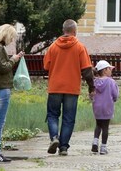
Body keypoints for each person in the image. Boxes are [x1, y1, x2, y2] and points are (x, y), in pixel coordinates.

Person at [43, 19, 95, 157]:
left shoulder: (53, 47)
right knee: (68, 118)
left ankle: (54, 137)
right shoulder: (79, 47)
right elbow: (87, 70)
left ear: (63, 30)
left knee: (53, 115)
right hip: (72, 88)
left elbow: (46, 66)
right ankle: (64, 147)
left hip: (55, 87)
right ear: (75, 31)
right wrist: (91, 88)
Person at [0, 24, 25, 163]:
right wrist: (13, 59)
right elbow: (4, 67)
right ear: (6, 35)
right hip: (2, 89)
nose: (12, 40)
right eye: (12, 37)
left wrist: (14, 57)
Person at [90, 59, 119, 155]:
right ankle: (103, 147)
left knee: (98, 124)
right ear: (105, 70)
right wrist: (114, 99)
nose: (111, 70)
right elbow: (115, 95)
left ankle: (95, 142)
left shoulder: (95, 82)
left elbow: (91, 94)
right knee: (105, 127)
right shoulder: (111, 82)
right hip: (107, 107)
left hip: (97, 107)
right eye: (110, 69)